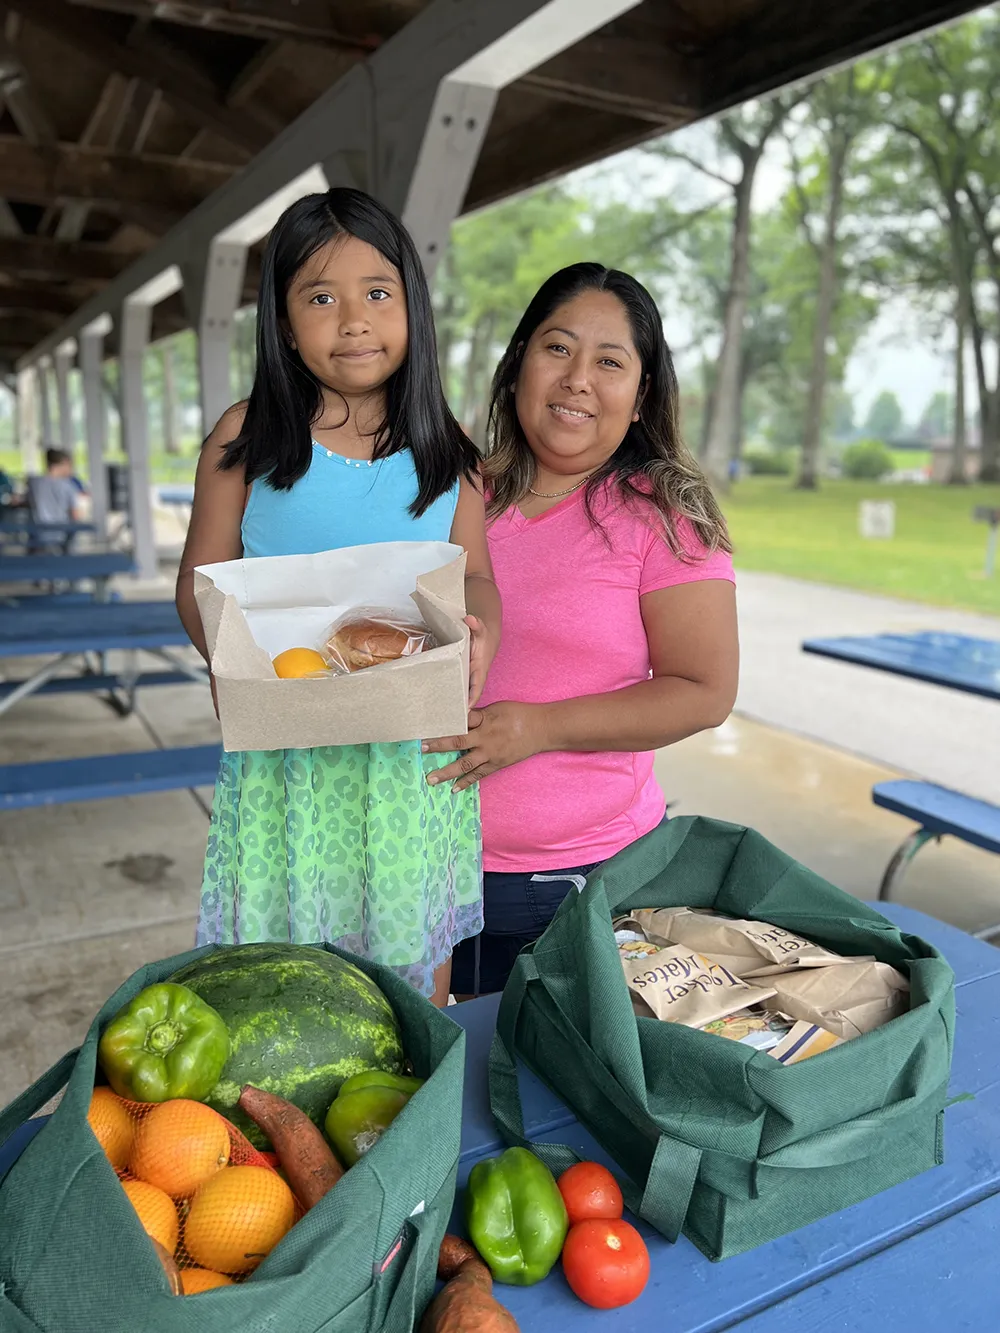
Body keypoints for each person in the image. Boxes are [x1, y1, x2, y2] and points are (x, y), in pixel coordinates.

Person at [175, 188, 501, 1006]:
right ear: (284, 324)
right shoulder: (246, 436)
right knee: (289, 974)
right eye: (321, 297)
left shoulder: (446, 449)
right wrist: (230, 660)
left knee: (413, 978)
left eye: (376, 294)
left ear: (412, 309)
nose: (352, 320)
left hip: (406, 762)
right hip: (291, 753)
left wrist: (482, 633)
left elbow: (479, 577)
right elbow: (199, 578)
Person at [425, 263, 738, 998]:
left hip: (572, 886)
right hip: (423, 868)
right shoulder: (455, 494)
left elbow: (705, 692)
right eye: (557, 349)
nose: (577, 380)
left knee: (544, 1095)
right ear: (517, 366)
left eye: (609, 362)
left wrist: (535, 728)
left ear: (641, 396)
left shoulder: (665, 518)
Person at [28, 448, 83, 551]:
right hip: (60, 538)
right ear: (61, 464)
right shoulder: (68, 486)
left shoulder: (34, 483)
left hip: (37, 537)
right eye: (69, 465)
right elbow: (75, 515)